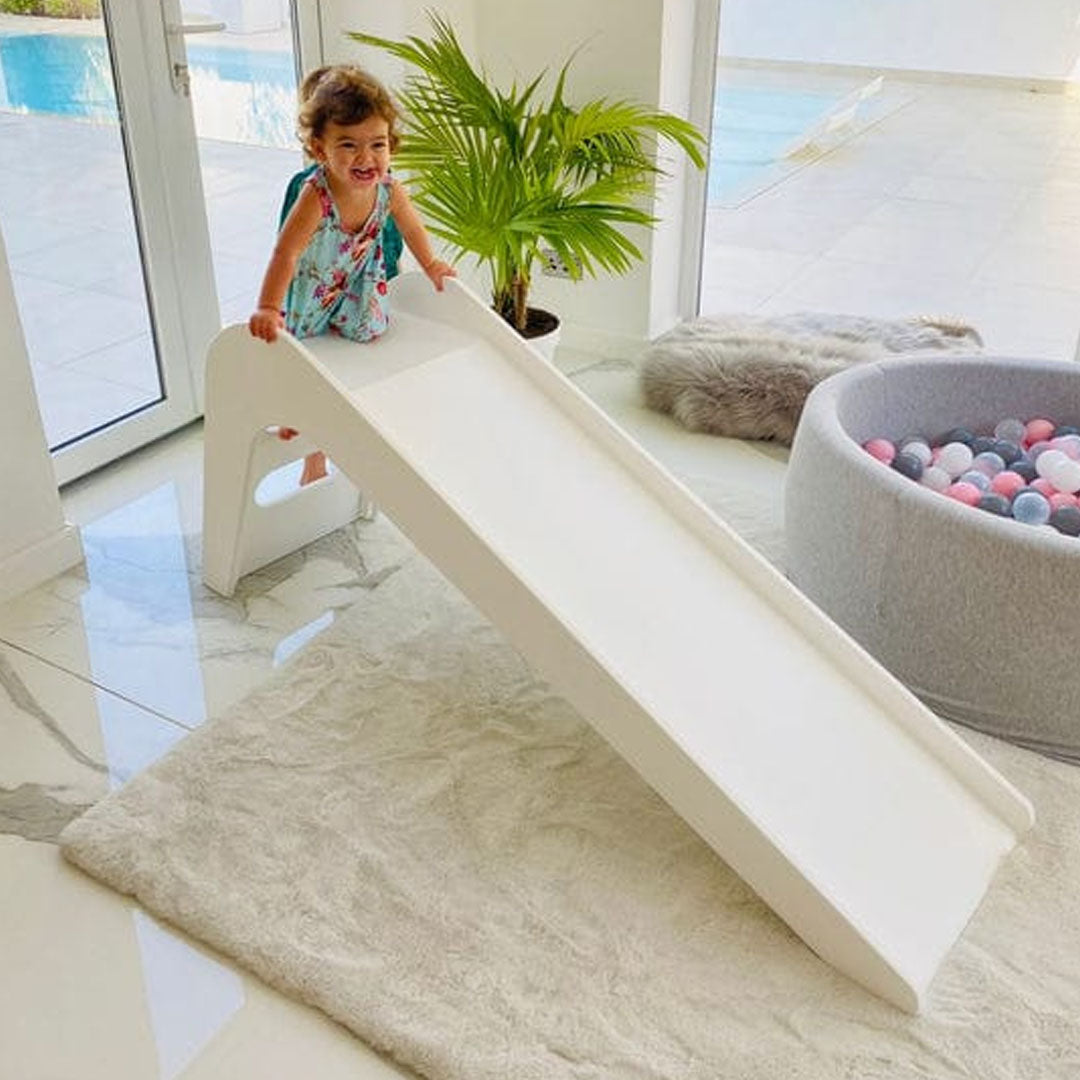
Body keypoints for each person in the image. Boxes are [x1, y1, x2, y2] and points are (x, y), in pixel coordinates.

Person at [249, 65, 455, 484]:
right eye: (348, 145)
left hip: (357, 283)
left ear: (391, 144)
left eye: (378, 144)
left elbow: (412, 228)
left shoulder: (389, 189)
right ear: (319, 149)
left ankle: (347, 429)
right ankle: (305, 441)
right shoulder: (315, 195)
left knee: (361, 354)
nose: (366, 158)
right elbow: (286, 252)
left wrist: (431, 264)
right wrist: (269, 306)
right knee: (305, 359)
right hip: (313, 289)